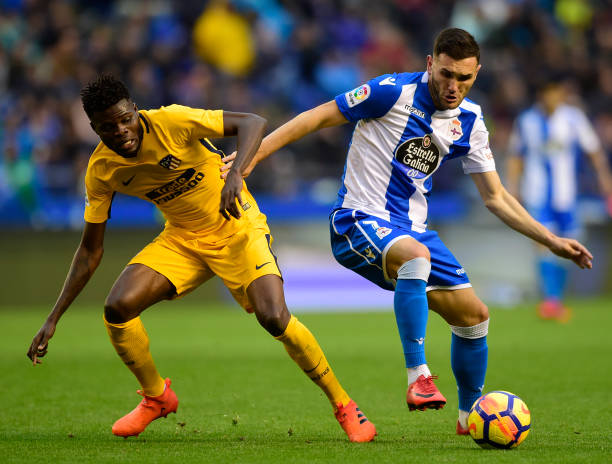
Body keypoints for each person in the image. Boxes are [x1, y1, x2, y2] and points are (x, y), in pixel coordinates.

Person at [221, 28, 594, 434]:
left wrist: (552, 240)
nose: (454, 87)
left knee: (474, 316)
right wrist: (250, 159)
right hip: (356, 220)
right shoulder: (389, 91)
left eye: (464, 79)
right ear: (431, 63)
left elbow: (496, 197)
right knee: (416, 257)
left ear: (477, 73)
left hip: (413, 230)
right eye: (447, 74)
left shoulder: (471, 121)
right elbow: (316, 117)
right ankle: (418, 376)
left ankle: (470, 417)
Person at [26, 75, 376, 443]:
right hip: (182, 240)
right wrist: (53, 318)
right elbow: (90, 250)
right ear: (93, 128)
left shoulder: (171, 121)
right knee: (117, 308)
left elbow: (252, 122)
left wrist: (236, 174)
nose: (121, 131)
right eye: (107, 127)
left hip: (237, 226)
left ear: (135, 110)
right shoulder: (101, 170)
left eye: (125, 118)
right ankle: (156, 397)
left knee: (273, 317)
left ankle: (345, 405)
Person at [506, 80, 612, 321]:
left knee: (570, 245)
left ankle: (557, 299)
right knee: (543, 243)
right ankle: (551, 300)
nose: (552, 97)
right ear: (541, 94)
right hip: (537, 193)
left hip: (567, 196)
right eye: (548, 92)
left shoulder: (573, 118)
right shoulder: (526, 121)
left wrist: (604, 178)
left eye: (556, 92)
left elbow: (593, 150)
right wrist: (512, 188)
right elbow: (516, 156)